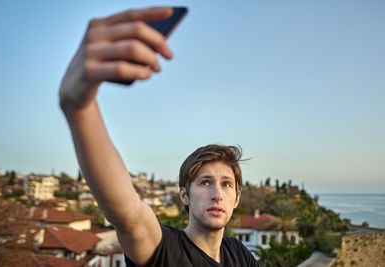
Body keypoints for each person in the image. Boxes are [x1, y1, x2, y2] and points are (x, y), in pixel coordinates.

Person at [59, 6, 259, 267]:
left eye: (226, 184)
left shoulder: (240, 255)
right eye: (205, 183)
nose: (217, 194)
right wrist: (80, 108)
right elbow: (128, 213)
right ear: (184, 195)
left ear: (237, 199)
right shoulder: (165, 250)